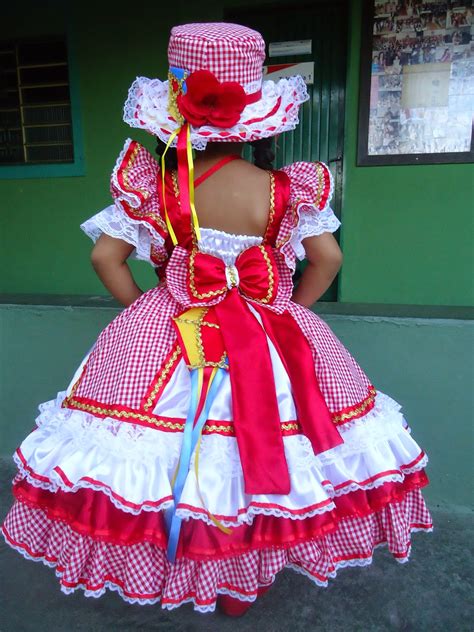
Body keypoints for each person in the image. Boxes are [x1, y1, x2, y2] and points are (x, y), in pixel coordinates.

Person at [1, 22, 433, 617]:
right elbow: (328, 258)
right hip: (270, 331)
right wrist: (291, 312)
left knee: (181, 458)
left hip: (172, 329)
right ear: (255, 120)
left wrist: (145, 312)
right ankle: (240, 583)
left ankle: (185, 566)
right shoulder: (284, 189)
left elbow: (105, 255)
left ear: (175, 116)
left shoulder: (155, 184)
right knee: (260, 457)